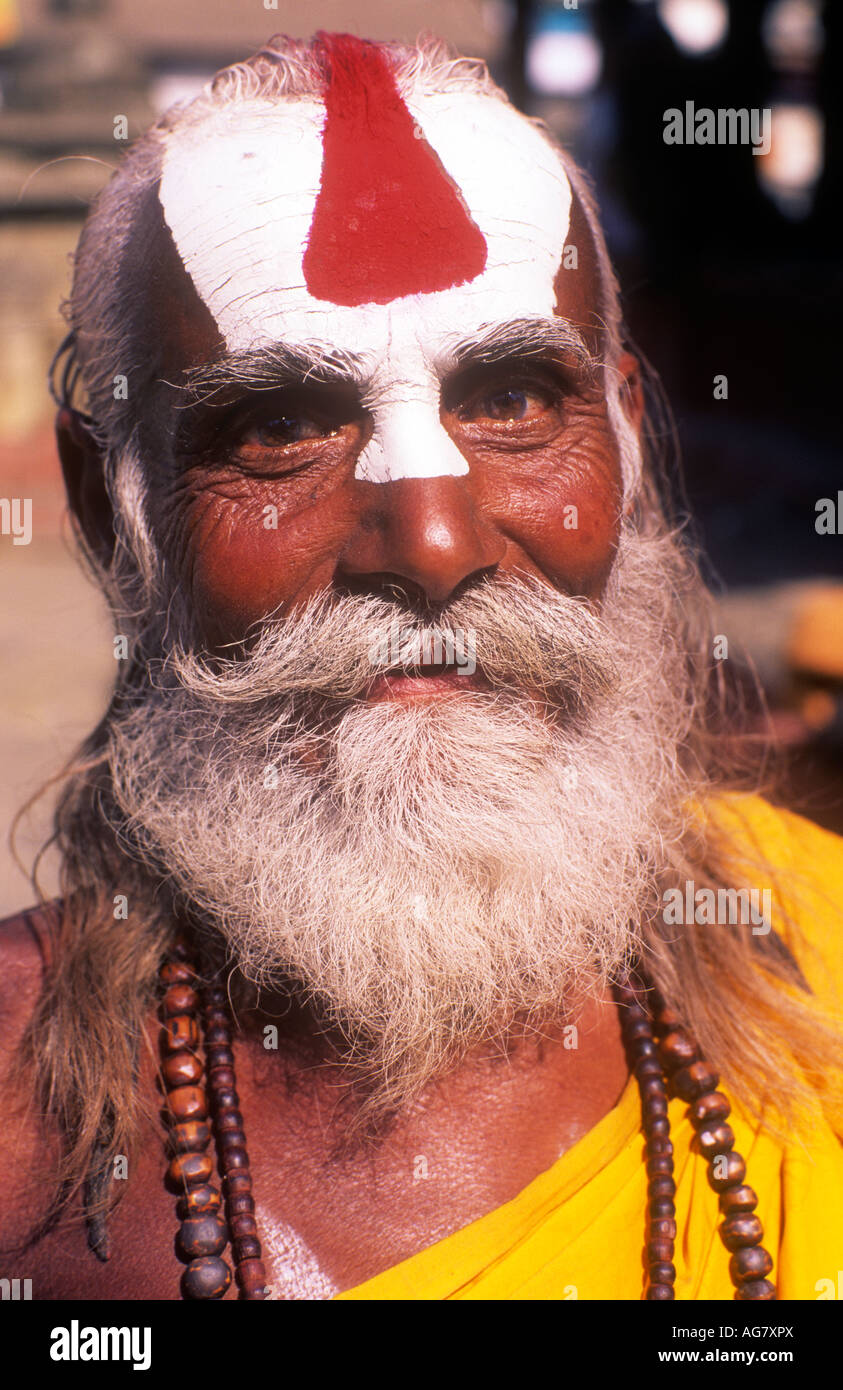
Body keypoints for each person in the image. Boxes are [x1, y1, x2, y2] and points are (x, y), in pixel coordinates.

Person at [1, 31, 841, 1302]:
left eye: (513, 400)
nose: (436, 545)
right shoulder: (17, 1138)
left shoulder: (813, 947)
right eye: (279, 426)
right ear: (111, 506)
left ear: (623, 429)